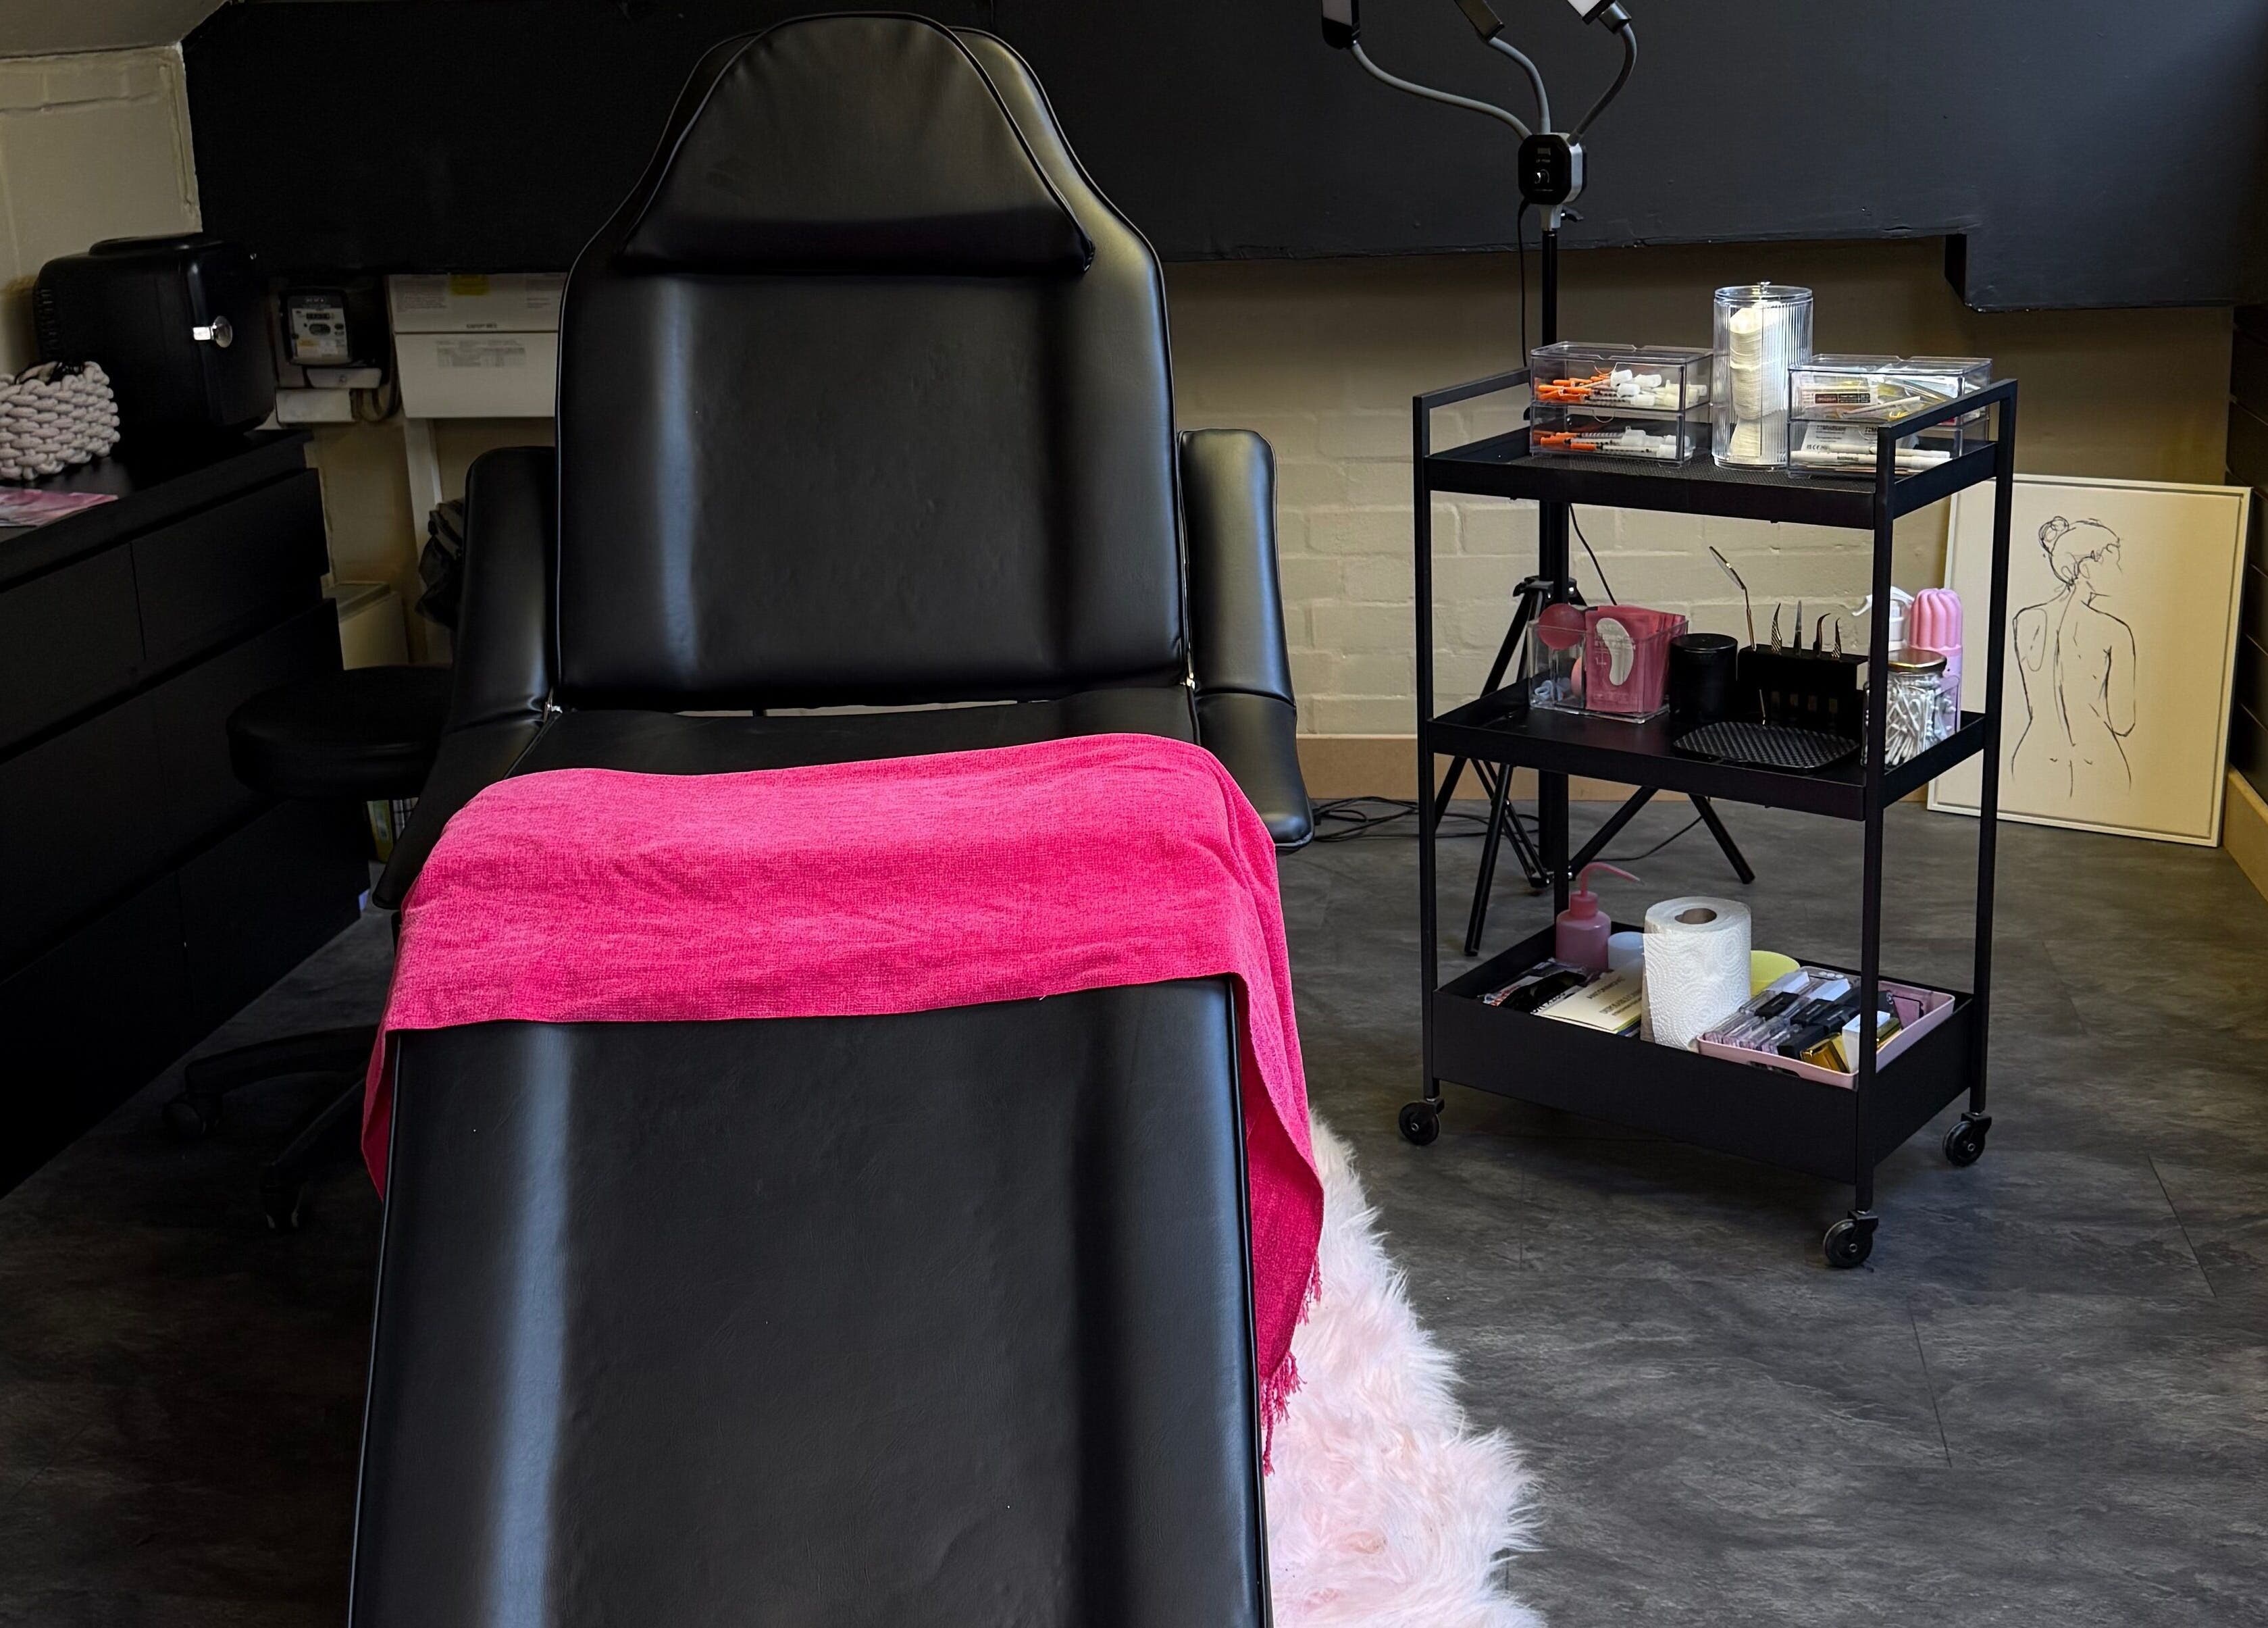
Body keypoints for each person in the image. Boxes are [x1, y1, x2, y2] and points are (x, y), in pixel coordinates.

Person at [2011, 515, 2135, 800]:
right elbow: (2123, 722)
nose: (2120, 569)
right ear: (2086, 568)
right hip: (2096, 763)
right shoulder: (2115, 632)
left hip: (2033, 759)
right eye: (2112, 559)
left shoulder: (2025, 620)